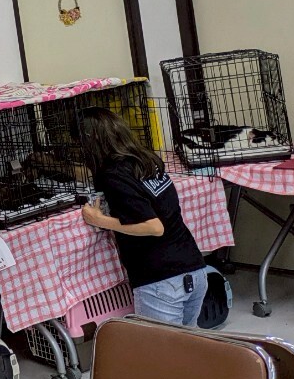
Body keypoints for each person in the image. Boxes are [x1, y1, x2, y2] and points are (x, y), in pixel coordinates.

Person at [79, 106, 208, 325]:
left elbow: (153, 226)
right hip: (194, 269)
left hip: (161, 281)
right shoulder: (146, 160)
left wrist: (99, 220)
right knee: (187, 342)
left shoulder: (114, 175)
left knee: (158, 346)